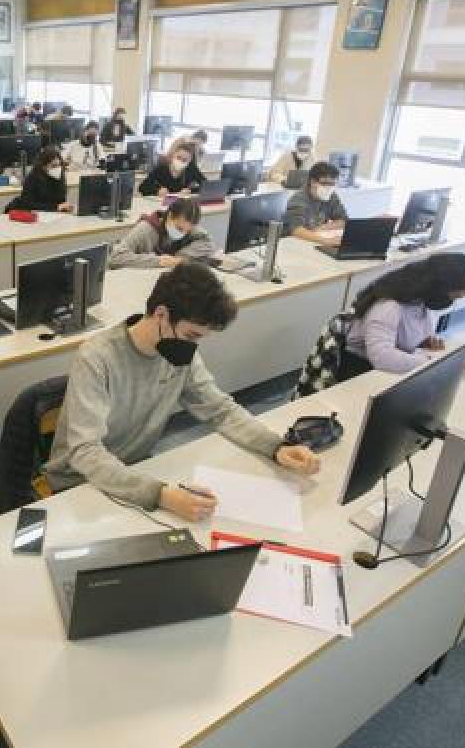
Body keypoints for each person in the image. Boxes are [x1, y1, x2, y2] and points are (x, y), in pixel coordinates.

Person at [41, 262, 320, 519]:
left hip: (137, 470)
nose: (194, 345)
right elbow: (85, 452)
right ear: (161, 314)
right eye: (191, 335)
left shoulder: (178, 353)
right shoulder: (96, 358)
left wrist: (275, 447)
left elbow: (220, 410)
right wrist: (159, 495)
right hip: (79, 484)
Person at [342, 253, 465, 379]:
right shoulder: (388, 307)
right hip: (360, 371)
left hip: (386, 369)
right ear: (439, 287)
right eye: (454, 296)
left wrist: (422, 343)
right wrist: (439, 365)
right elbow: (383, 358)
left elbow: (408, 332)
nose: (451, 302)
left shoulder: (421, 297)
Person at [110, 198, 214, 269]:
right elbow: (115, 258)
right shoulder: (146, 228)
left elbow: (207, 243)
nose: (182, 234)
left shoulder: (188, 228)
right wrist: (159, 261)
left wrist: (180, 257)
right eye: (179, 228)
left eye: (187, 231)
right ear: (169, 216)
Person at [283, 161, 348, 246]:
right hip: (297, 242)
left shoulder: (331, 195)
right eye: (325, 183)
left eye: (332, 184)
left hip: (315, 239)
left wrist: (323, 227)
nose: (329, 187)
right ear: (313, 182)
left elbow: (343, 220)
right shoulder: (298, 200)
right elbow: (296, 230)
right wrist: (326, 241)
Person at [5, 147, 73, 213]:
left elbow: (61, 200)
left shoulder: (60, 175)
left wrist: (64, 207)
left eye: (59, 165)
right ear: (43, 166)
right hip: (28, 214)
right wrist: (55, 207)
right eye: (53, 166)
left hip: (50, 215)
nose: (58, 168)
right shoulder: (33, 178)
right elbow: (28, 204)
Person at [138, 137, 206, 197]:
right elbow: (142, 187)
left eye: (185, 160)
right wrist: (157, 191)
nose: (181, 161)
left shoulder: (191, 169)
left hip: (180, 205)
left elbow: (206, 185)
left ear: (189, 161)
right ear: (173, 155)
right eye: (178, 157)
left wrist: (190, 191)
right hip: (161, 205)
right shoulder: (162, 169)